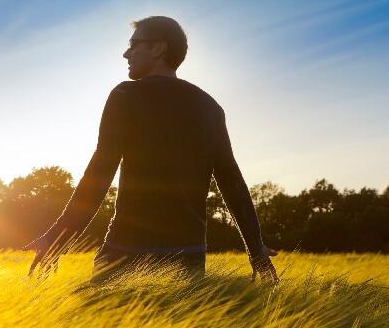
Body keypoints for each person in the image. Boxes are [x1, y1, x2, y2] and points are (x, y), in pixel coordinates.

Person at [24, 16, 279, 284]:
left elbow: (101, 170)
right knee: (181, 327)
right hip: (187, 259)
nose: (126, 53)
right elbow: (232, 183)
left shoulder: (126, 96)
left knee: (106, 325)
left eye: (134, 44)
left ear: (159, 48)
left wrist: (58, 238)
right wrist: (256, 250)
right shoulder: (210, 108)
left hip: (126, 253)